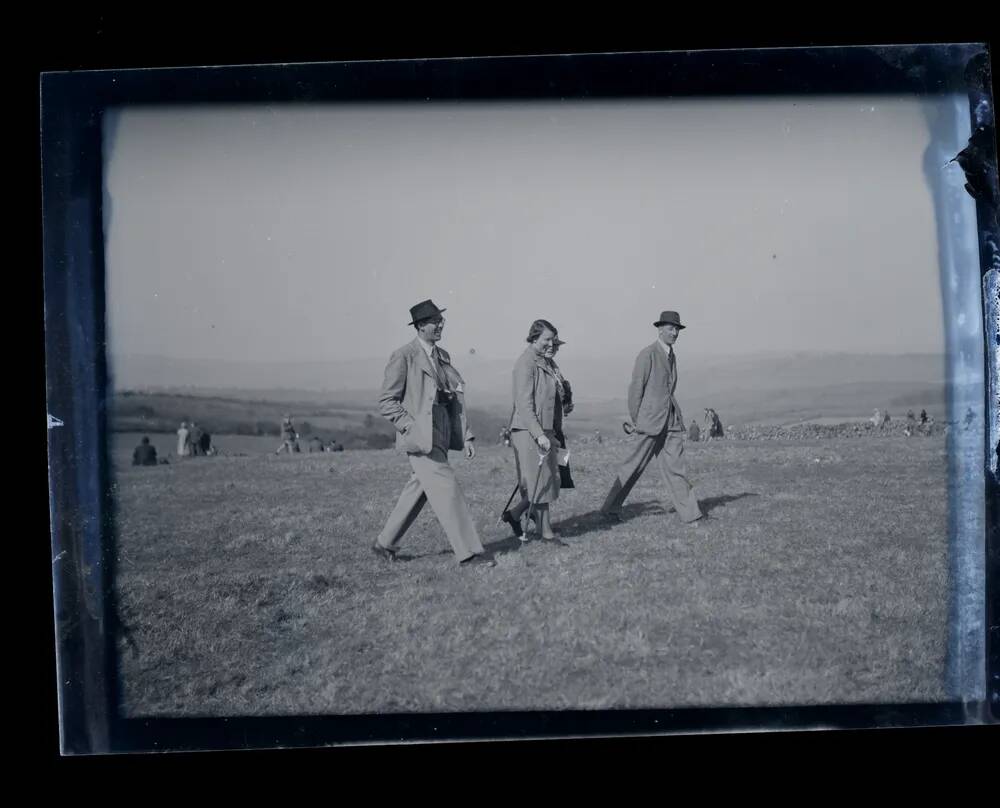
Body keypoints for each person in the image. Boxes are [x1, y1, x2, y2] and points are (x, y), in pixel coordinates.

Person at [373, 299, 491, 567]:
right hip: (419, 436)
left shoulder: (443, 356)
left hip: (441, 431)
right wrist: (410, 427)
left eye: (441, 320)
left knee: (419, 488)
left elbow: (453, 400)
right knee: (447, 489)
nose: (440, 325)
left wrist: (467, 434)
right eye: (435, 321)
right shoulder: (403, 356)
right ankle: (469, 552)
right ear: (420, 326)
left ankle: (384, 544)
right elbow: (386, 401)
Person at [600, 310, 704, 526]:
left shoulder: (671, 355)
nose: (674, 332)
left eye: (677, 329)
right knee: (633, 467)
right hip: (649, 423)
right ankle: (610, 509)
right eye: (670, 328)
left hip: (671, 422)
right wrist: (638, 420)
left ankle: (691, 515)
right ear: (660, 329)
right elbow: (635, 388)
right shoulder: (647, 354)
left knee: (677, 468)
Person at [500, 319, 563, 541]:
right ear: (534, 337)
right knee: (541, 479)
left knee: (546, 479)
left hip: (542, 429)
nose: (550, 344)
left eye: (552, 340)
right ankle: (545, 533)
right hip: (527, 431)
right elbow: (524, 405)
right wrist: (539, 434)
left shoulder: (544, 362)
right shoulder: (525, 364)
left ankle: (515, 515)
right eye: (547, 339)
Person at [546, 336, 575, 490]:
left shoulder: (554, 367)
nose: (554, 348)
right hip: (544, 424)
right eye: (551, 345)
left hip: (556, 423)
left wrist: (566, 402)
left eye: (556, 346)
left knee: (560, 464)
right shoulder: (541, 366)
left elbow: (561, 389)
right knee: (544, 472)